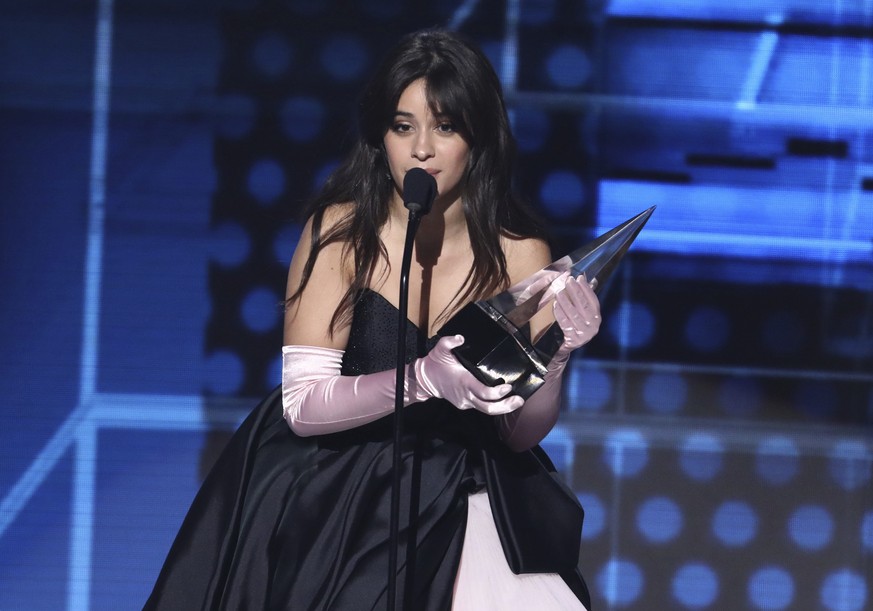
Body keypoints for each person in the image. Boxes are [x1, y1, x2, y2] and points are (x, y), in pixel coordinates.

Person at [145, 29, 601, 610]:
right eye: (403, 126)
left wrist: (556, 357)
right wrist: (421, 380)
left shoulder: (521, 254)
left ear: (479, 138)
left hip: (468, 479)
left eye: (446, 126)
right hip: (341, 484)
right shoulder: (342, 232)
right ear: (379, 136)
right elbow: (303, 406)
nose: (422, 150)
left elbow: (517, 433)